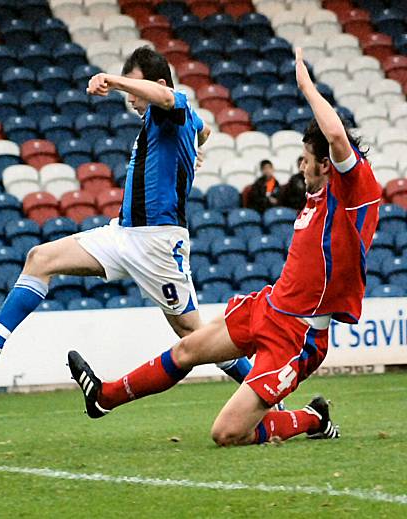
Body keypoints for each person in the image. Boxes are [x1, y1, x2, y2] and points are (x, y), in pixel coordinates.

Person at [68, 47, 382, 446]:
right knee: (186, 350)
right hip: (269, 307)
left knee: (227, 433)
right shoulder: (317, 196)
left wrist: (305, 85)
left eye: (305, 160)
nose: (300, 168)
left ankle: (311, 418)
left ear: (326, 164)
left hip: (298, 336)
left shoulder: (355, 190)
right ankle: (104, 396)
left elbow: (335, 135)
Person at [0, 46, 254, 384]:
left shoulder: (169, 110)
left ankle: (267, 394)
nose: (130, 98)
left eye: (135, 88)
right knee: (41, 258)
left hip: (157, 244)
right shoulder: (170, 121)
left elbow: (169, 98)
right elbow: (203, 129)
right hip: (123, 234)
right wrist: (196, 146)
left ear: (157, 83)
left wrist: (113, 81)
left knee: (196, 337)